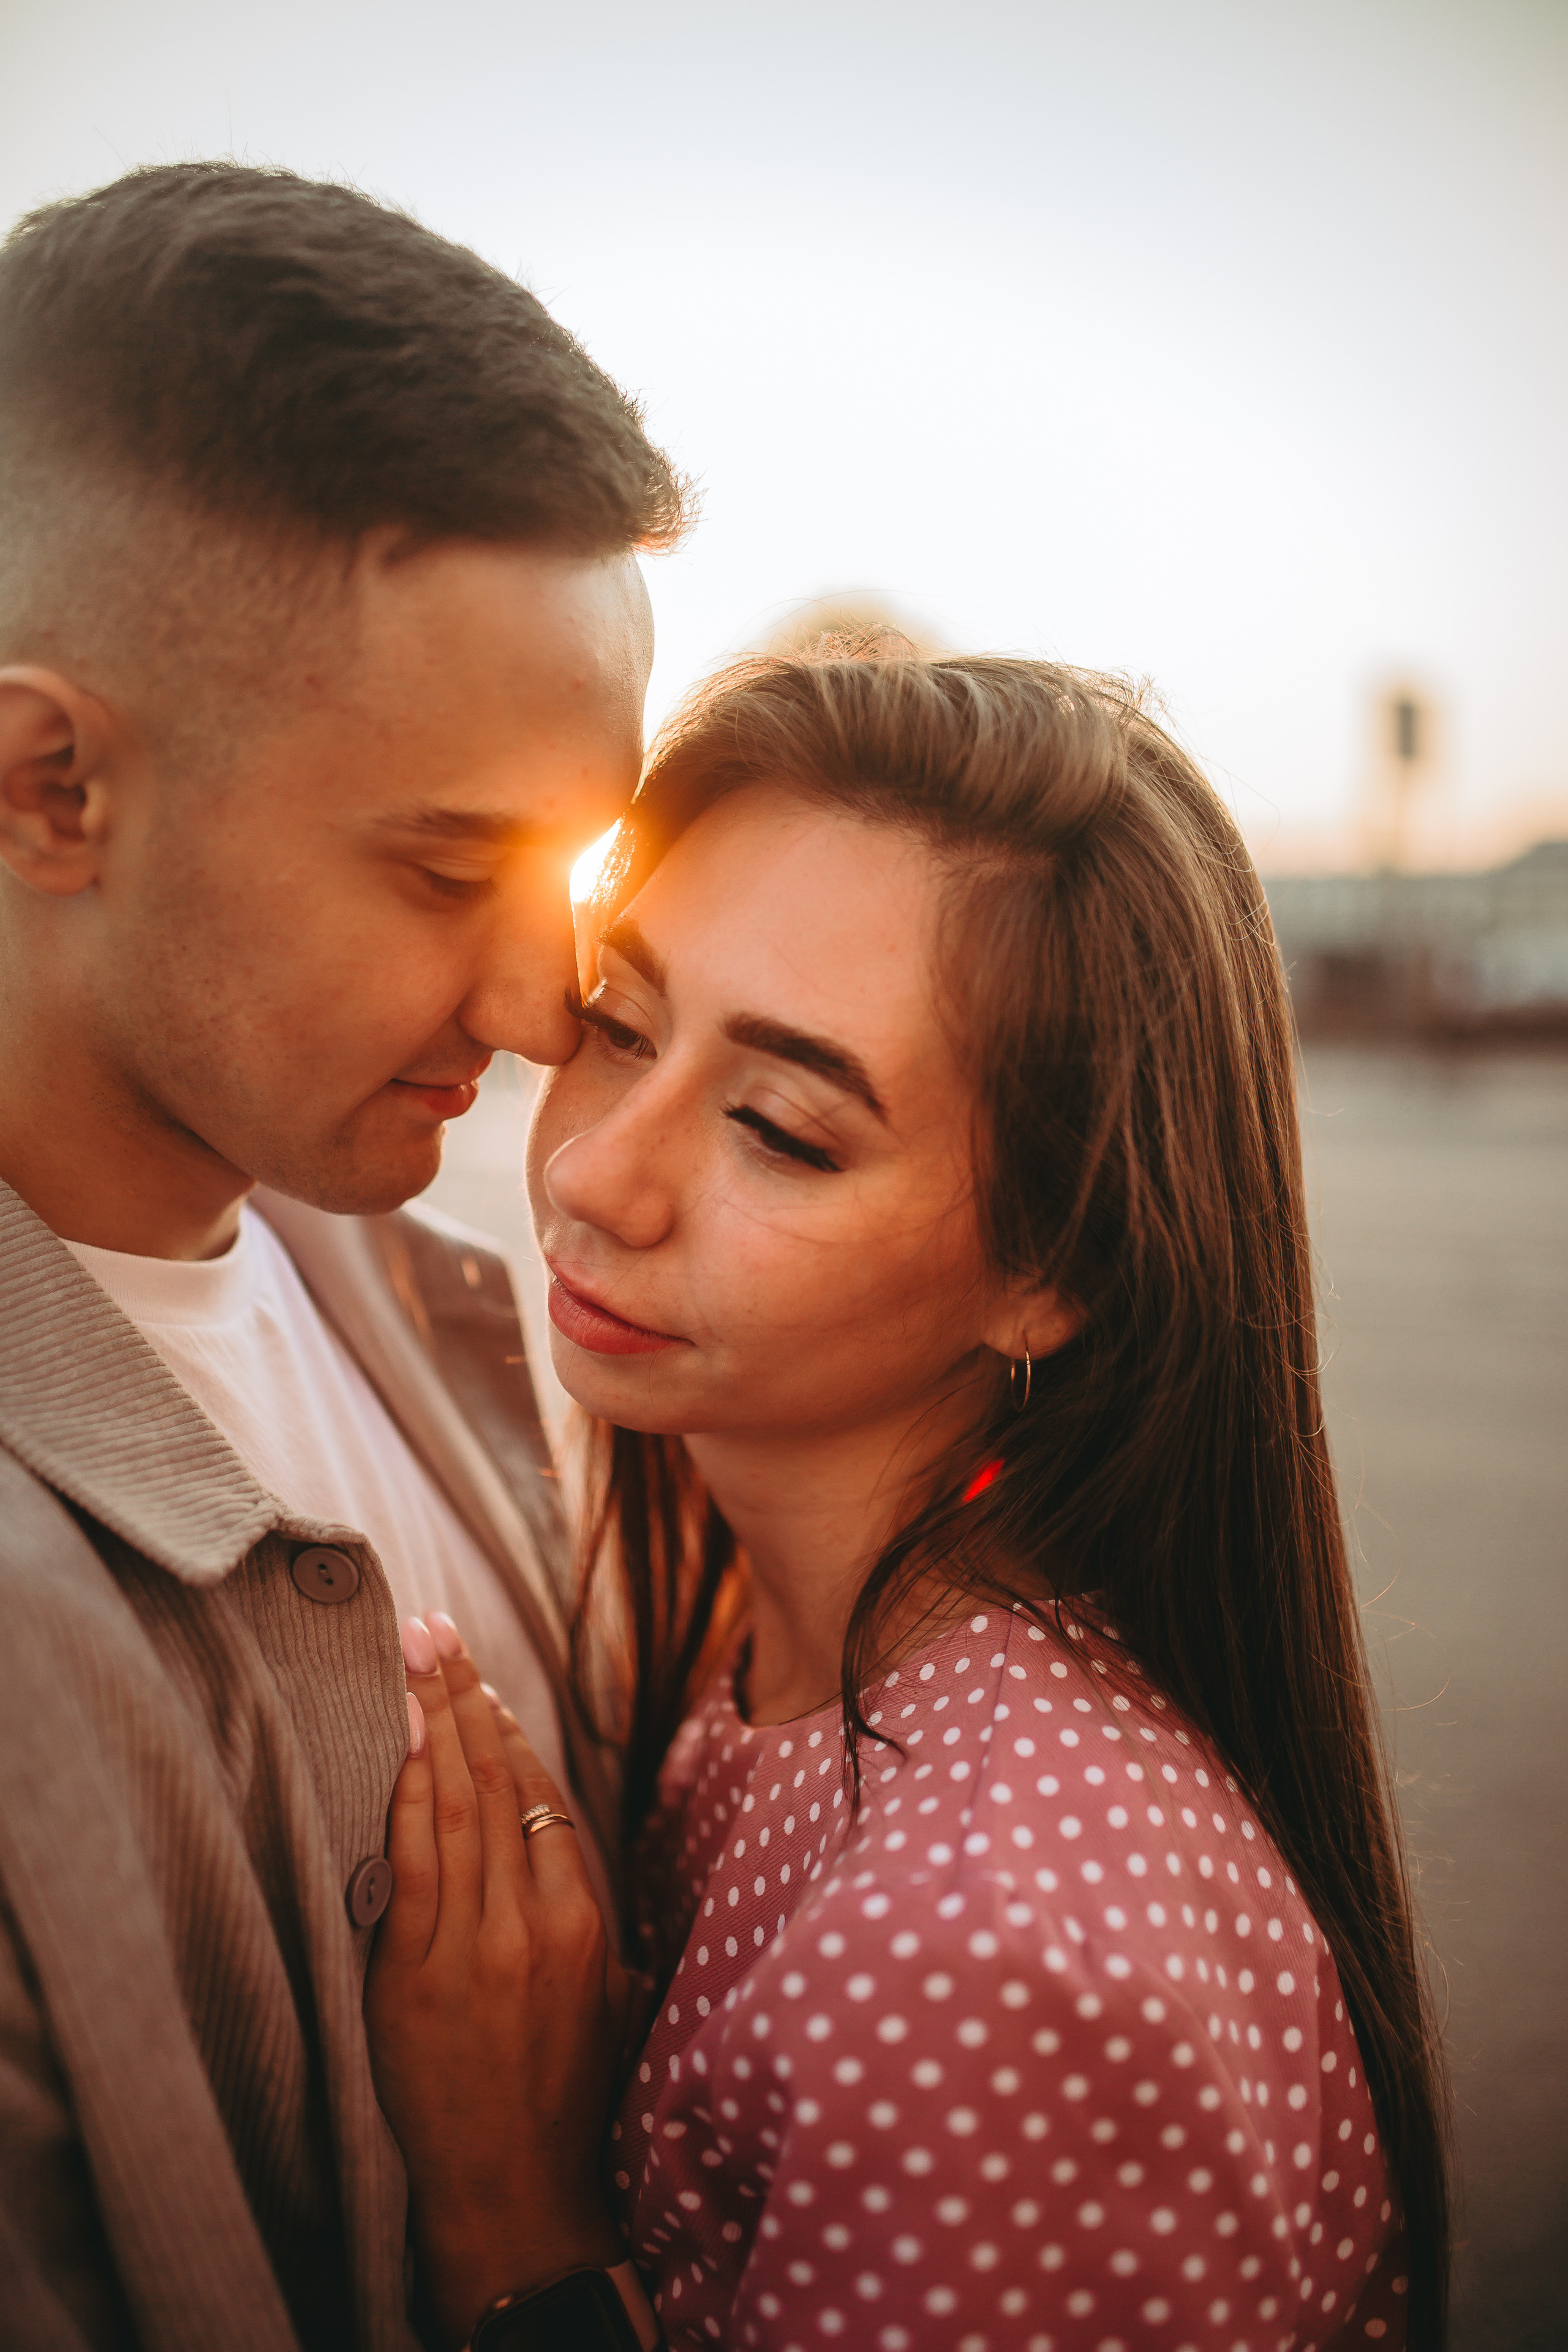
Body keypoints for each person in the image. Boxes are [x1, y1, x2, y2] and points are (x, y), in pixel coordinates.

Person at [366, 647, 1451, 2352]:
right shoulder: (763, 1650)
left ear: (1060, 1262)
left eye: (783, 1129)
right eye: (618, 1024)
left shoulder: (987, 1966)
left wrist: (518, 2223)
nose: (591, 1169)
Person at [0, 160, 685, 2348]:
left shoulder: (426, 1270)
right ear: (45, 783)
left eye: (573, 868)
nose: (539, 1005)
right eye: (443, 868)